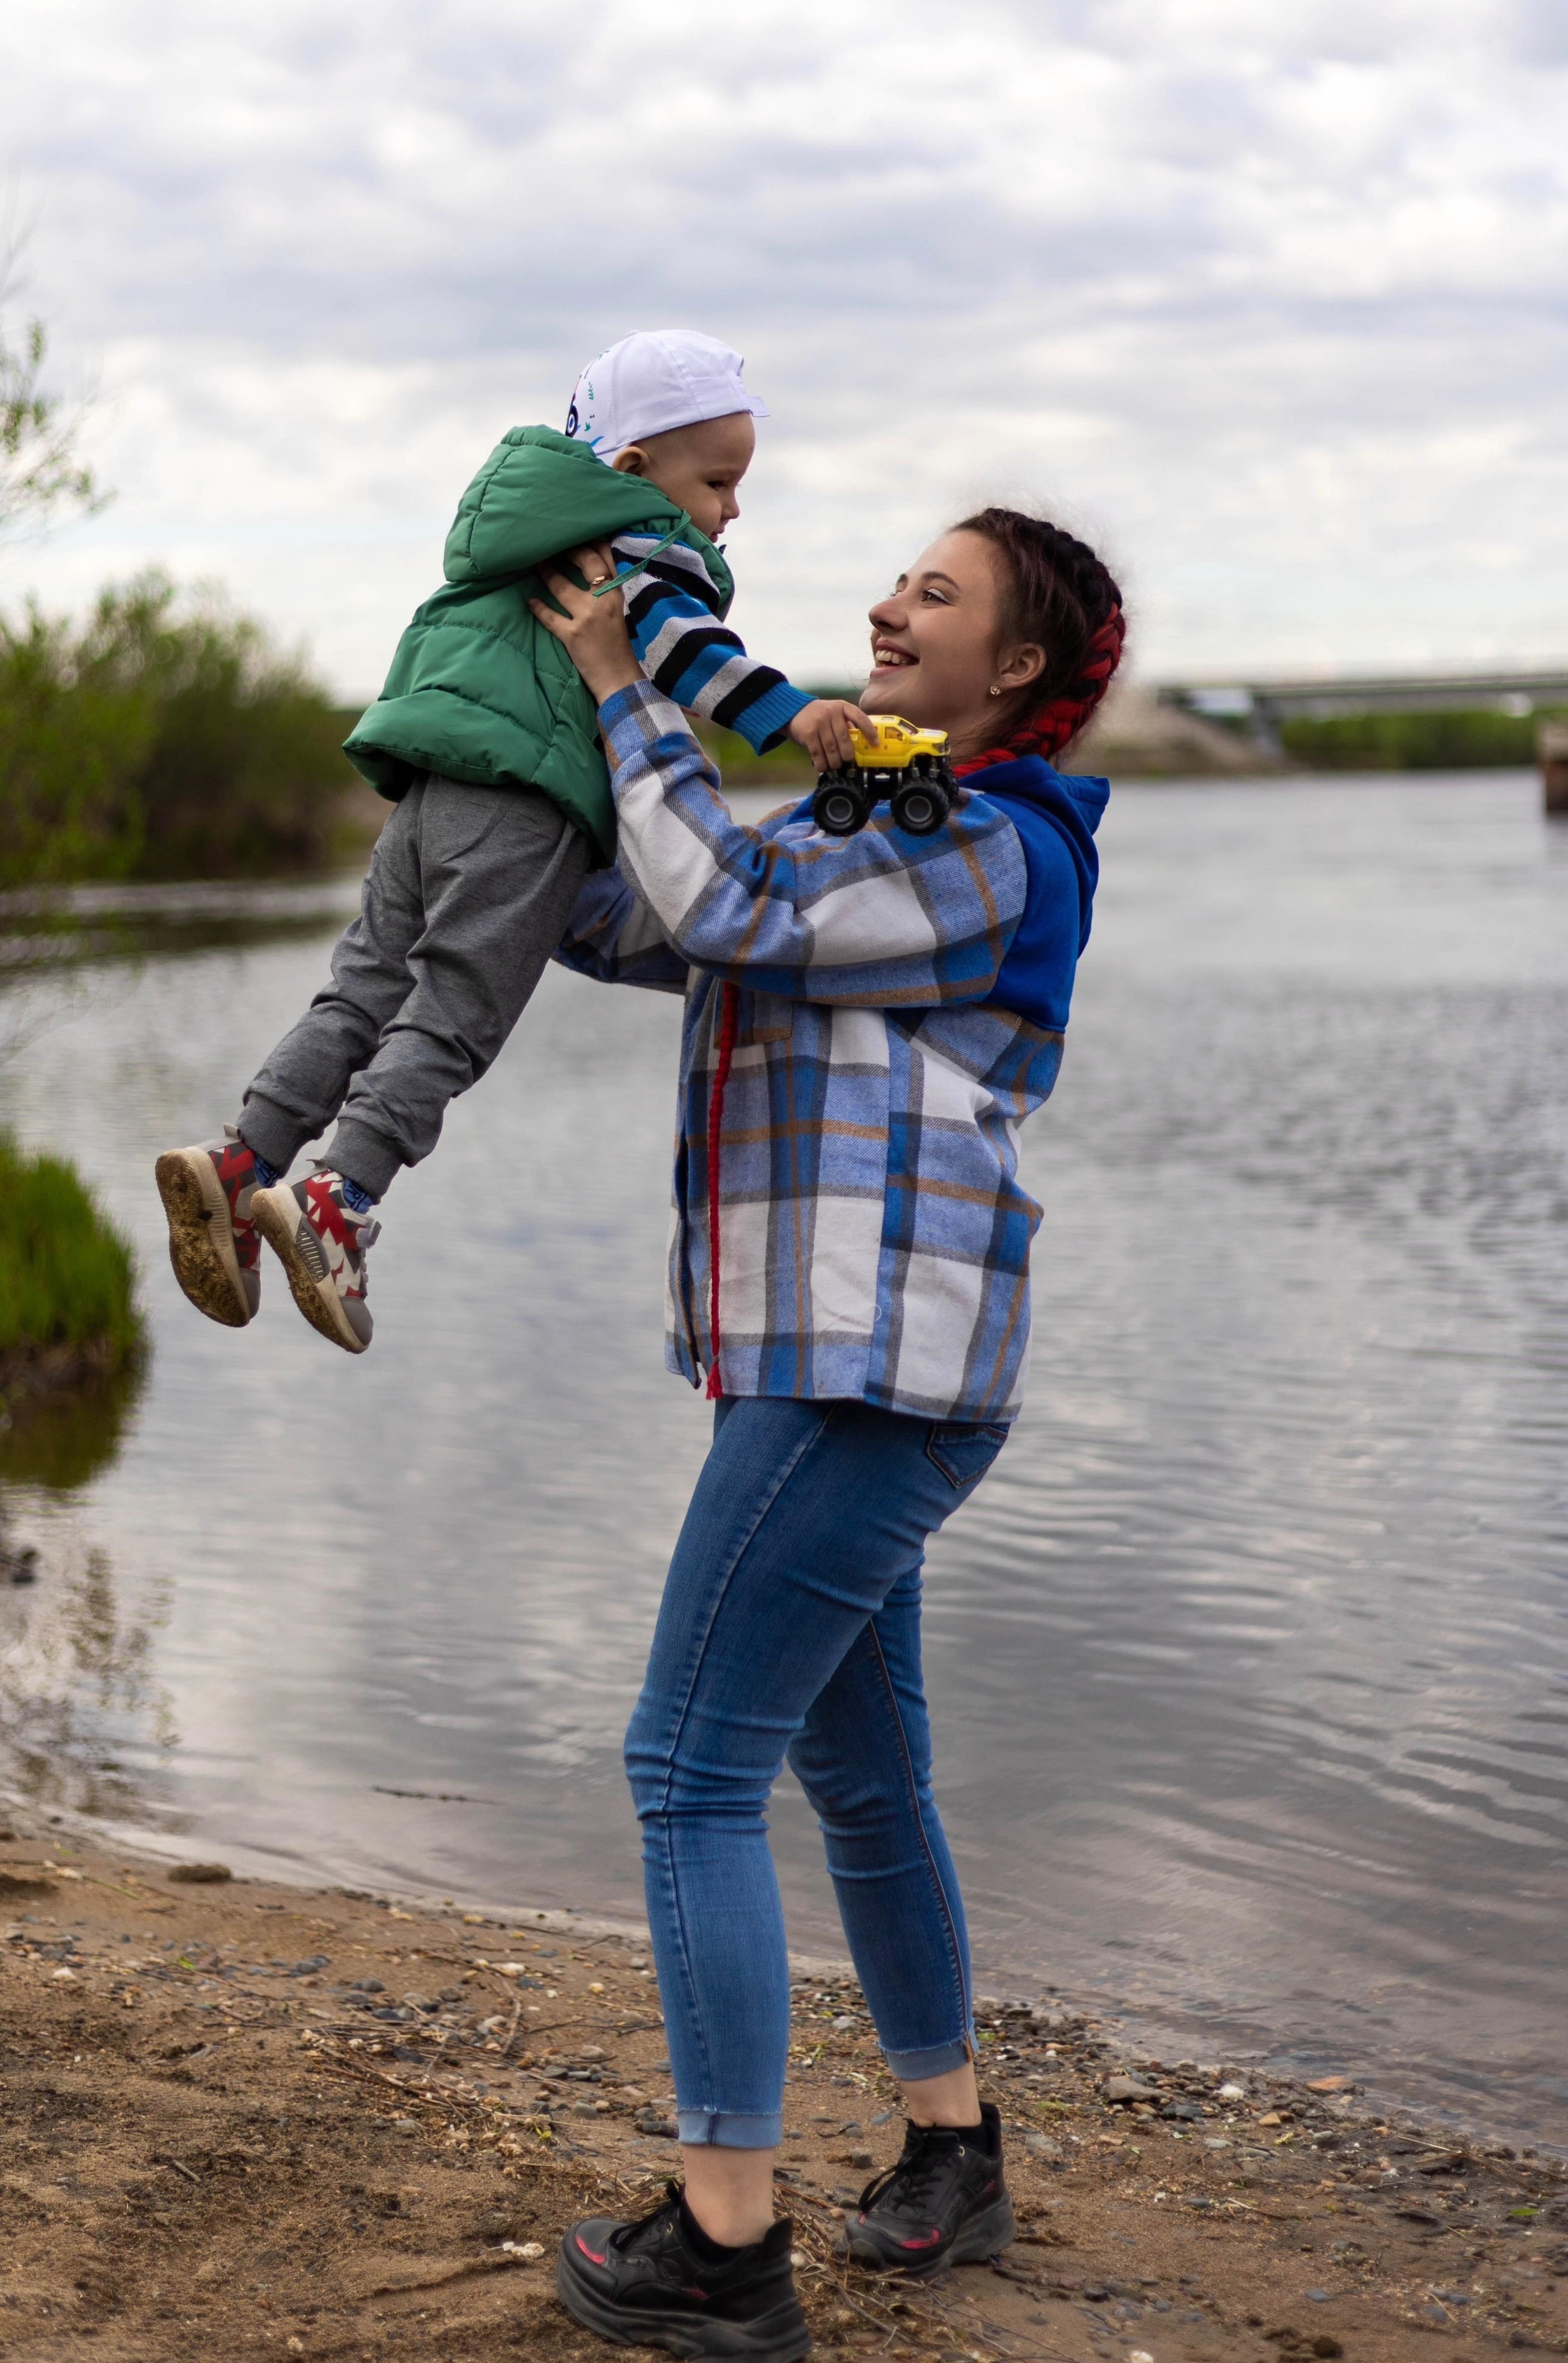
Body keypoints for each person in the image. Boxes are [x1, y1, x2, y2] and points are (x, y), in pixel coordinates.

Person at [533, 508, 1124, 2361]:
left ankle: (724, 2249)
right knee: (861, 1781)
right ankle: (953, 2149)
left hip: (868, 1375)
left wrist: (629, 688)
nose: (884, 603)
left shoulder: (997, 844)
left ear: (1015, 669)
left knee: (688, 1769)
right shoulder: (883, 815)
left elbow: (727, 905)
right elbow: (653, 916)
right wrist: (505, 776)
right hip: (843, 1363)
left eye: (934, 594)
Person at [153, 330, 868, 1355]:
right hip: (522, 807)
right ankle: (339, 1197)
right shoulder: (635, 544)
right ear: (634, 469)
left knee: (363, 989)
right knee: (456, 1008)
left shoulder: (515, 534)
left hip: (429, 794)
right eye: (719, 481)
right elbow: (684, 646)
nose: (731, 509)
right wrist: (789, 718)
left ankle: (240, 1166)